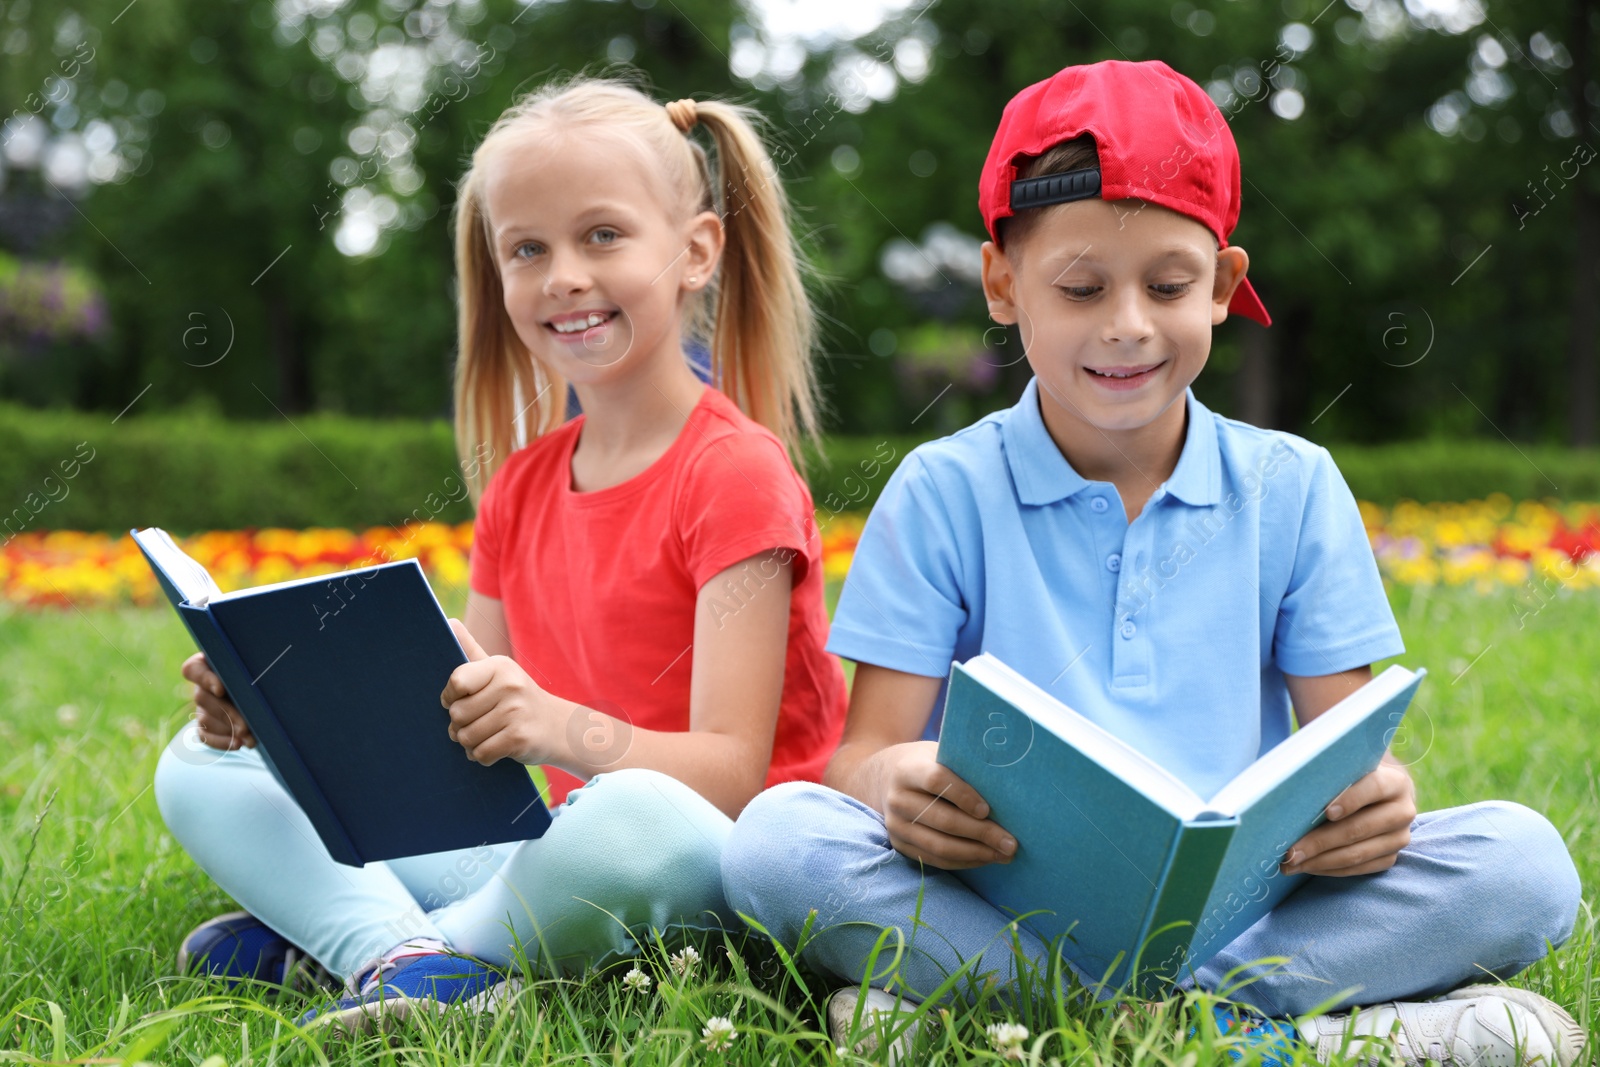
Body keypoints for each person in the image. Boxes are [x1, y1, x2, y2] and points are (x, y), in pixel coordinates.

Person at [720, 60, 1584, 1066]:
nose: (1127, 323)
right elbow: (863, 756)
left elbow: (1347, 756)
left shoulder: (1291, 485)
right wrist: (897, 782)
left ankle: (1010, 1019)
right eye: (1080, 287)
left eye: (1168, 285)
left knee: (1523, 864)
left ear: (1220, 286)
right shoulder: (940, 488)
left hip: (1249, 915)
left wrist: (1378, 798)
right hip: (1003, 899)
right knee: (778, 838)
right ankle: (1289, 1040)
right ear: (1003, 285)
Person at [154, 72, 849, 1033]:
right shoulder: (522, 486)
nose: (562, 273)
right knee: (197, 766)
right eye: (527, 248)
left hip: (708, 874)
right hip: (555, 849)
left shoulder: (735, 474)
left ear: (695, 253)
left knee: (628, 816)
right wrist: (275, 704)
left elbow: (730, 775)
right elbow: (461, 735)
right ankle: (410, 958)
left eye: (601, 235)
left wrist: (558, 727)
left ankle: (393, 946)